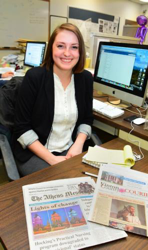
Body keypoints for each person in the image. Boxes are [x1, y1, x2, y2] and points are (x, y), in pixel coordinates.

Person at [12, 23, 93, 176]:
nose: (67, 53)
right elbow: (22, 128)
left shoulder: (85, 79)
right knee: (61, 184)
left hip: (71, 148)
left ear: (80, 51)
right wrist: (52, 159)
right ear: (52, 49)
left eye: (74, 47)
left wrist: (78, 144)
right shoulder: (35, 77)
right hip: (36, 152)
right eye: (61, 46)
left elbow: (87, 119)